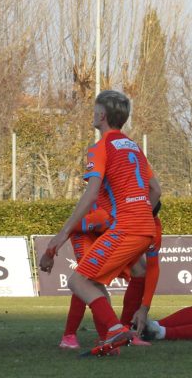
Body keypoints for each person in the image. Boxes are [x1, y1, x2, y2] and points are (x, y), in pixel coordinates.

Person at [39, 90, 161, 356]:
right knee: (94, 281)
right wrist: (141, 213)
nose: (93, 114)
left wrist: (60, 236)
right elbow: (156, 190)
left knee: (77, 281)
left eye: (95, 110)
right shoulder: (135, 147)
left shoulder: (101, 147)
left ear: (102, 115)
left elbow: (91, 192)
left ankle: (114, 330)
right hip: (144, 228)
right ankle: (111, 338)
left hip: (126, 227)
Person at [57, 205, 162, 350]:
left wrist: (144, 308)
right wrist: (51, 251)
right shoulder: (106, 216)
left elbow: (153, 268)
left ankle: (124, 330)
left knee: (140, 271)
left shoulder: (153, 228)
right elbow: (73, 225)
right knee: (86, 279)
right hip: (86, 234)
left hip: (114, 235)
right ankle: (71, 336)